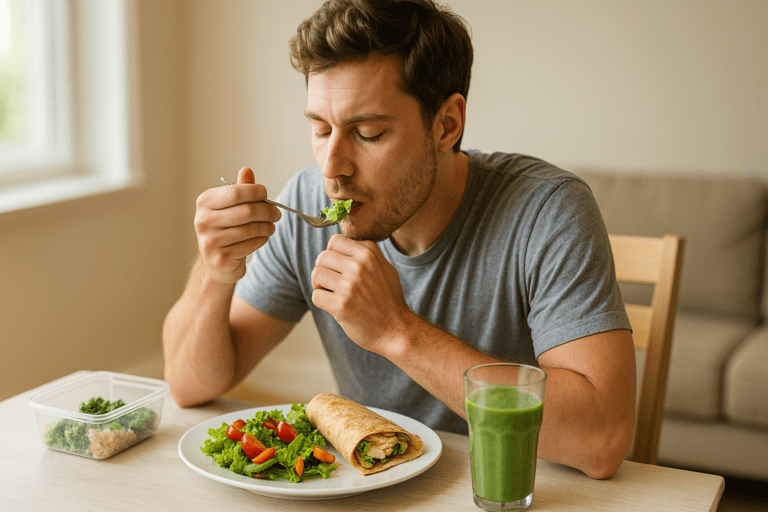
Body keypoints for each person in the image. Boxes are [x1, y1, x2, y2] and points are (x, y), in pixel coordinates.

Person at [163, 0, 636, 479]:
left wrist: (396, 331)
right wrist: (215, 270)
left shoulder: (547, 211)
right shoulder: (307, 199)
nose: (332, 168)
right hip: (375, 487)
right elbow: (187, 386)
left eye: (367, 133)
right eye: (320, 129)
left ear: (446, 125)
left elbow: (601, 441)